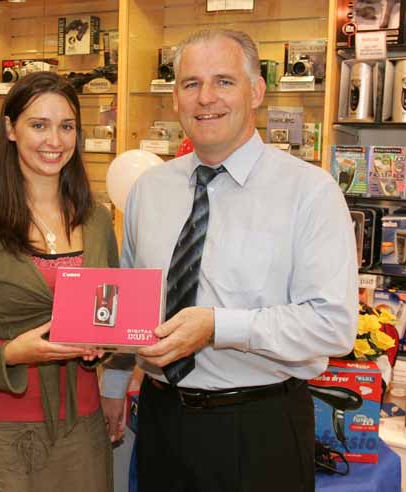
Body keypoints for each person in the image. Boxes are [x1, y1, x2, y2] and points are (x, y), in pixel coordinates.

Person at [101, 29, 358, 492]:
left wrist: (219, 326)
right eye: (190, 83)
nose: (205, 99)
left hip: (260, 428)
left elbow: (333, 325)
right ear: (174, 95)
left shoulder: (310, 192)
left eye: (223, 81)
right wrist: (114, 386)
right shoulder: (150, 190)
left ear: (256, 91)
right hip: (161, 420)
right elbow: (129, 303)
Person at [0, 71, 118, 492]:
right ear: (10, 129)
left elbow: (109, 316)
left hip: (82, 429)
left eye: (66, 126)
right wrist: (12, 354)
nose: (54, 140)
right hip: (3, 430)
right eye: (39, 125)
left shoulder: (97, 220)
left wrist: (101, 347)